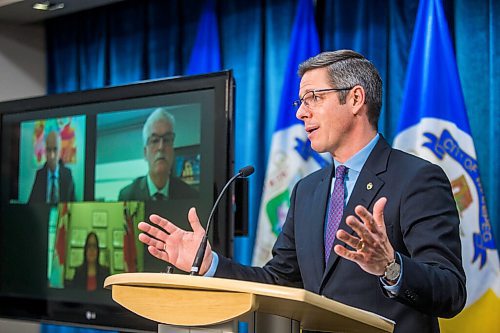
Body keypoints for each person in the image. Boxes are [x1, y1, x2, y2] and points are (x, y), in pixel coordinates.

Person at [137, 50, 466, 333]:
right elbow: (278, 280)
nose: (300, 112)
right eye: (300, 101)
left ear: (355, 99)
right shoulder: (307, 190)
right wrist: (210, 264)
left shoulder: (418, 179)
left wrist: (390, 266)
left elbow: (451, 291)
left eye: (314, 98)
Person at [118, 108, 197, 201]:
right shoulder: (127, 195)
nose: (161, 147)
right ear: (145, 153)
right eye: (155, 140)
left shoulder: (190, 194)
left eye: (167, 140)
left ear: (173, 150)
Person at [28, 130, 76, 204]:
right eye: (49, 150)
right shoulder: (40, 174)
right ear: (45, 151)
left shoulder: (67, 174)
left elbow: (74, 205)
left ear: (60, 152)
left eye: (55, 149)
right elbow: (31, 204)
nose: (52, 156)